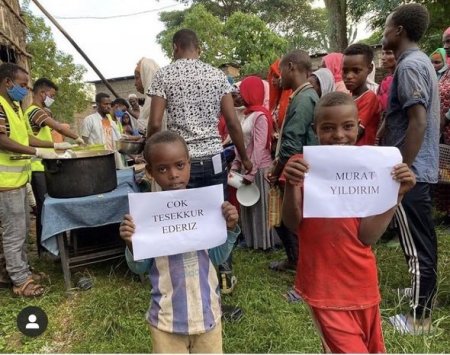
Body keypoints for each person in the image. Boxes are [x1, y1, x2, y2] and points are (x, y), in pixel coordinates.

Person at [282, 91, 416, 353]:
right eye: (328, 128)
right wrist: (291, 186)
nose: (339, 135)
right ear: (315, 129)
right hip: (324, 286)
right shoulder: (302, 166)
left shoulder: (371, 168)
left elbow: (367, 236)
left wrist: (396, 194)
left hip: (362, 284)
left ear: (359, 126)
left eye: (348, 126)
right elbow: (291, 222)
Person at [147, 29, 252, 293]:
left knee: (183, 216)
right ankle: (225, 274)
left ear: (175, 48)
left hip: (179, 162)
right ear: (199, 48)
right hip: (214, 159)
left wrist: (150, 156)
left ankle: (186, 276)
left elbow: (156, 122)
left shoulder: (165, 74)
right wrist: (245, 157)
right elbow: (232, 122)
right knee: (218, 215)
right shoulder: (217, 75)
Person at [119, 131, 240, 354]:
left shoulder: (205, 209)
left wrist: (229, 228)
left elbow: (216, 257)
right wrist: (131, 242)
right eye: (162, 169)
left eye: (180, 165)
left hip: (207, 314)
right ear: (150, 172)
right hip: (166, 319)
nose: (173, 174)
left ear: (189, 165)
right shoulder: (145, 217)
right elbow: (140, 267)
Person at [381, 3, 440, 333]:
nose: (384, 33)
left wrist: (401, 169)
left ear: (399, 31)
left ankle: (419, 318)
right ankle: (422, 292)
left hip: (411, 171)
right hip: (421, 167)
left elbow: (417, 122)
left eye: (387, 27)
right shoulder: (419, 62)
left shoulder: (409, 67)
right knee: (421, 239)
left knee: (417, 246)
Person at [0, 63, 63, 297]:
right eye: (23, 85)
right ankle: (21, 281)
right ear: (8, 82)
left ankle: (14, 271)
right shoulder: (0, 105)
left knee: (21, 229)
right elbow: (2, 140)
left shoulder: (12, 106)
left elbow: (24, 137)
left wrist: (52, 145)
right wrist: (33, 152)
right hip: (4, 181)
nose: (25, 90)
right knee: (14, 233)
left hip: (17, 179)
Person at [267, 49, 319, 272]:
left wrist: (277, 170)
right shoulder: (301, 96)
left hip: (298, 169)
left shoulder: (304, 99)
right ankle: (295, 260)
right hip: (297, 167)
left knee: (296, 221)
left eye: (281, 72)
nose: (279, 78)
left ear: (291, 68)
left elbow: (292, 142)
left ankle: (301, 266)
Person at [24, 78, 84, 255]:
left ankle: (47, 248)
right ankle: (46, 249)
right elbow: (58, 127)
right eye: (51, 95)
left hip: (43, 165)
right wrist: (77, 138)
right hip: (37, 167)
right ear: (42, 93)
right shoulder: (35, 111)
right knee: (45, 208)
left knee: (45, 207)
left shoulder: (36, 111)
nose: (52, 98)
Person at [230, 76, 275, 250]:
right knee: (248, 206)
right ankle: (251, 241)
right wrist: (236, 164)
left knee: (260, 207)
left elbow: (259, 146)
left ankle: (264, 243)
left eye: (243, 91)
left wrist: (252, 172)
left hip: (259, 168)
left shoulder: (261, 116)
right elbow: (241, 143)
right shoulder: (247, 114)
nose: (240, 95)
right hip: (246, 167)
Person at [343, 43, 381, 146]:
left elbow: (355, 134)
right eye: (345, 71)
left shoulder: (369, 98)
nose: (349, 76)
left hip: (361, 156)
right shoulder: (350, 98)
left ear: (369, 69)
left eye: (356, 71)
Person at [81, 92, 123, 168]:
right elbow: (84, 142)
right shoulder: (89, 120)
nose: (109, 106)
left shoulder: (111, 122)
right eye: (105, 104)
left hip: (112, 159)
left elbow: (119, 141)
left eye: (109, 104)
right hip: (97, 161)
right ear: (97, 104)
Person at [134, 57, 160, 135]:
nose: (135, 83)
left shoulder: (157, 102)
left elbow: (154, 128)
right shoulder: (148, 104)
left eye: (137, 78)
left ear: (147, 76)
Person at [377, 49, 397, 113]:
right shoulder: (386, 80)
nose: (383, 58)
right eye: (383, 54)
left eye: (389, 53)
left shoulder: (402, 79)